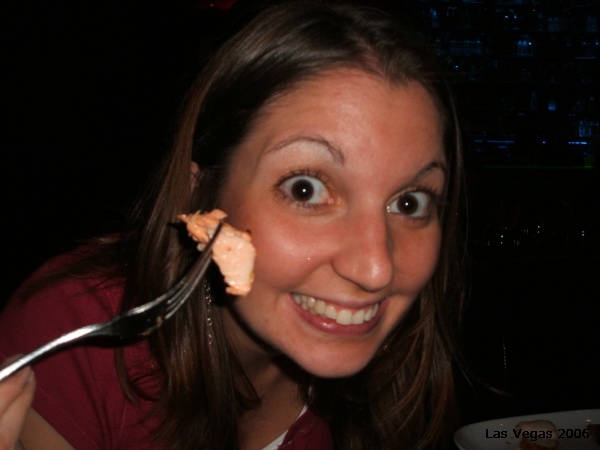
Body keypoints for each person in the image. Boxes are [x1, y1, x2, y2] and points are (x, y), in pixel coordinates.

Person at [0, 1, 466, 449]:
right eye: (305, 189)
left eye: (410, 202)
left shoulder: (399, 390)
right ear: (202, 198)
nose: (376, 269)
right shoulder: (73, 339)